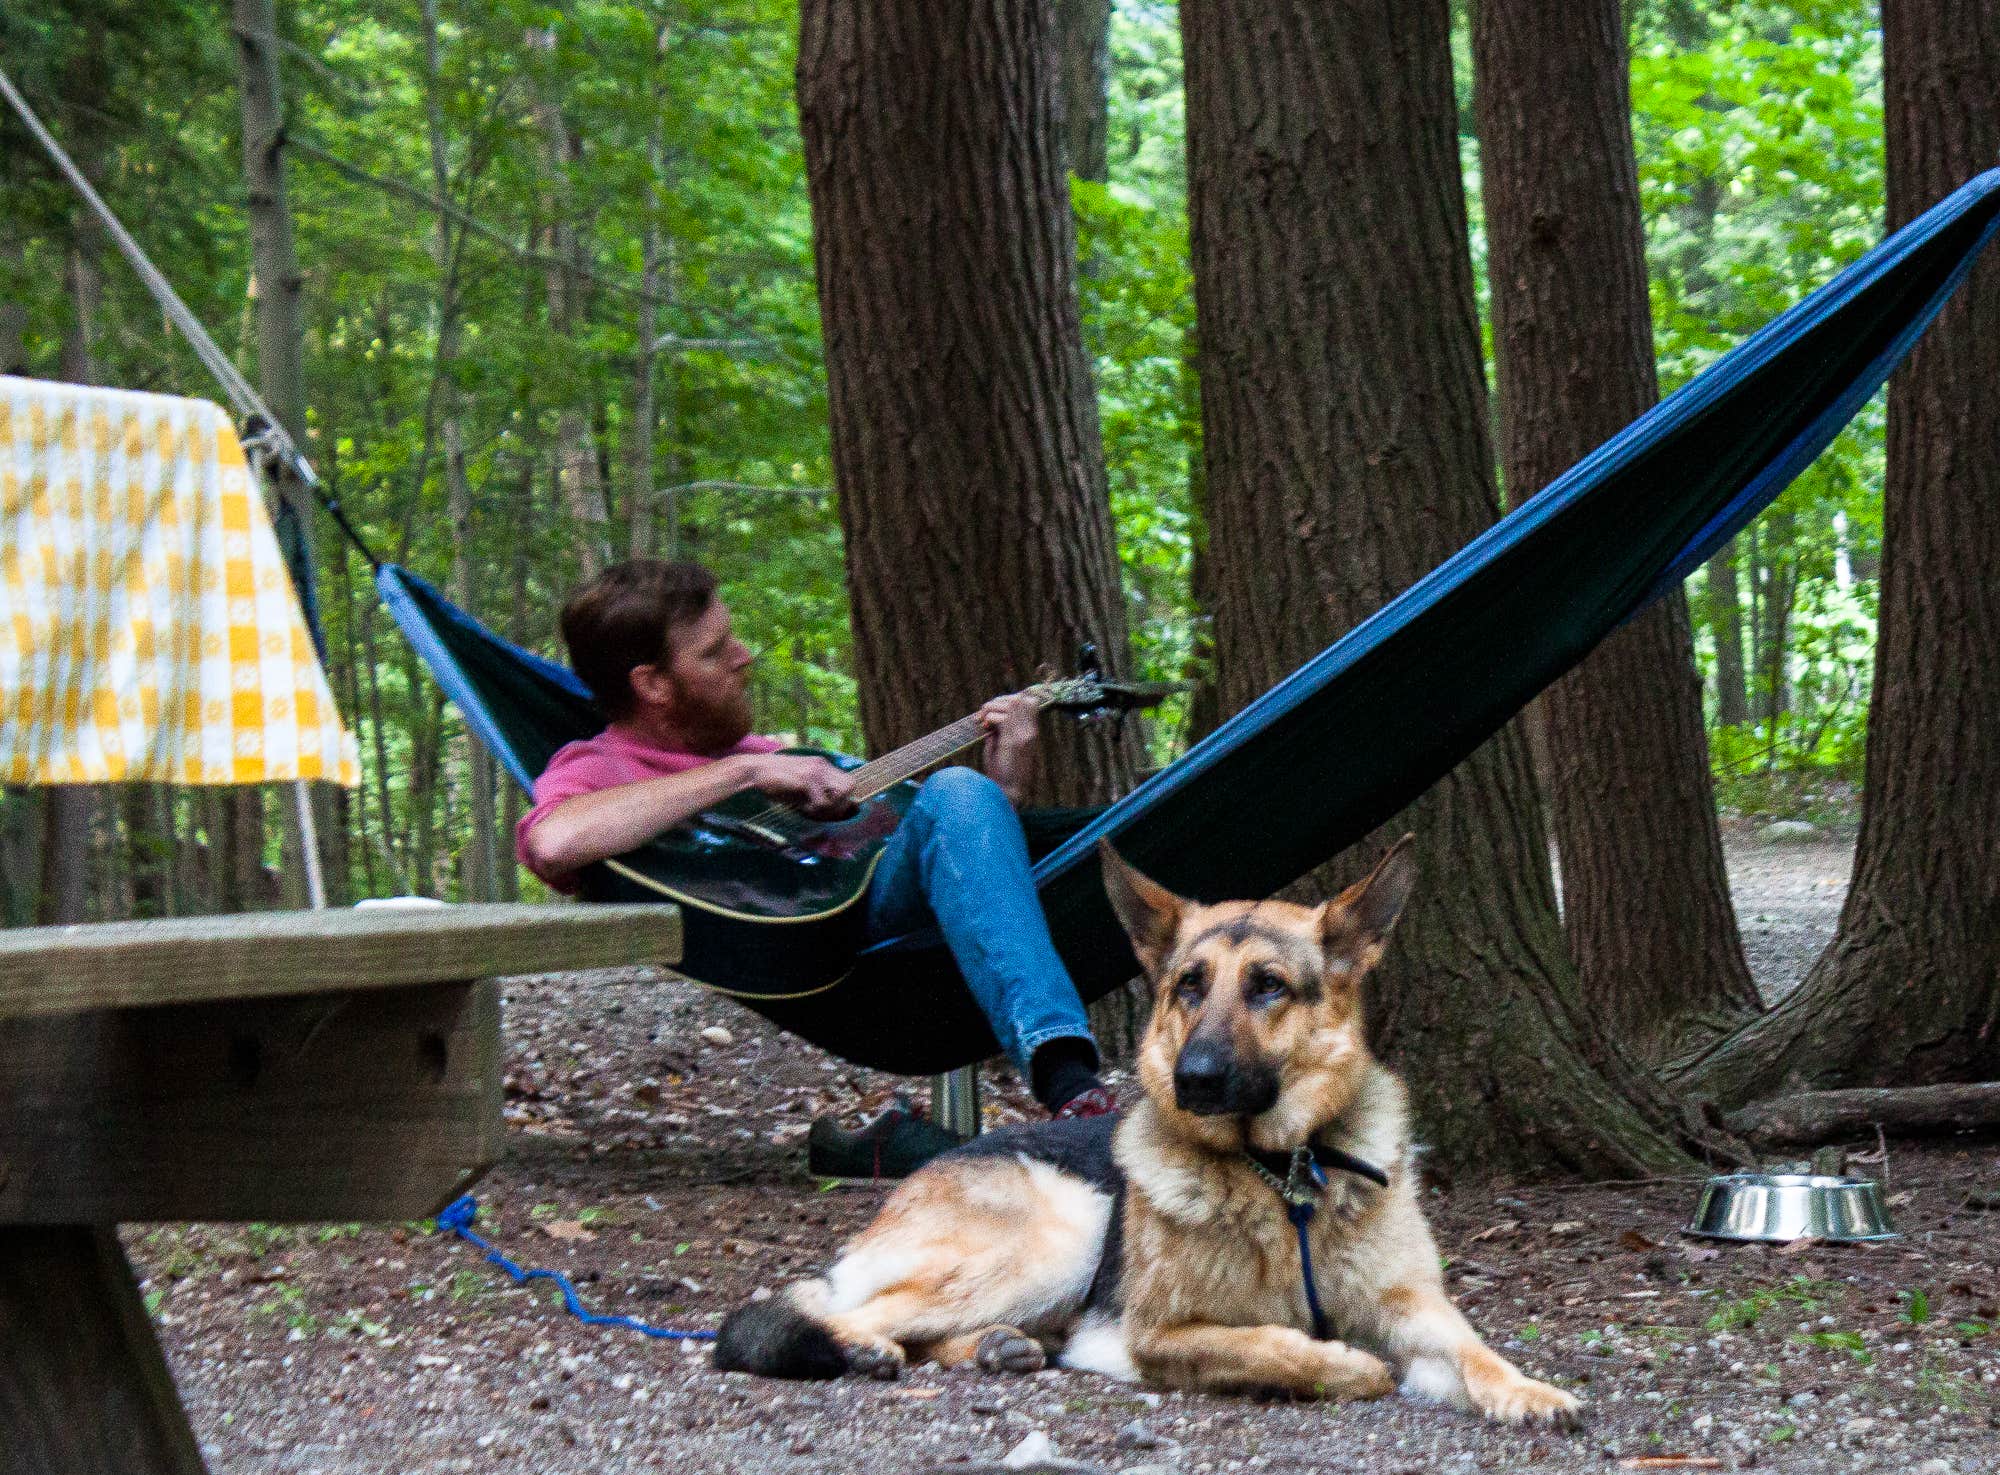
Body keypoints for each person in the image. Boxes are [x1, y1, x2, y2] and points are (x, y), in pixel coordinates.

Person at [516, 559, 1115, 1175]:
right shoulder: (597, 767)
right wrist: (744, 773)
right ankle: (1069, 1096)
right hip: (820, 961)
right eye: (716, 650)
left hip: (890, 922)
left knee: (959, 788)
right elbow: (556, 843)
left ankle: (1073, 1087)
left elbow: (944, 849)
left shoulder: (784, 757)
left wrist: (1002, 794)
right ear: (654, 685)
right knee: (956, 790)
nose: (744, 657)